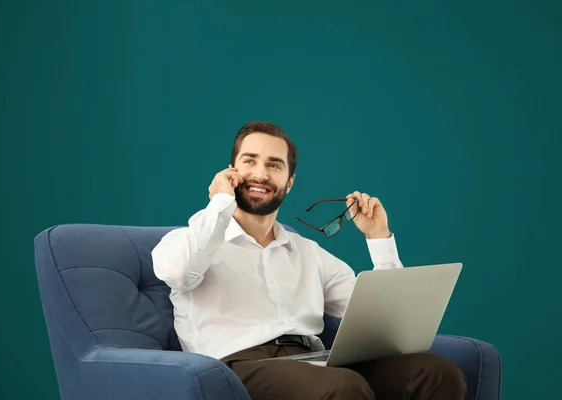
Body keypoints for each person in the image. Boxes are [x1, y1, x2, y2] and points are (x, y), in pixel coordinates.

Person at [151, 121, 467, 399]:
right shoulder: (188, 241)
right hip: (237, 367)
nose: (260, 173)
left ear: (289, 182)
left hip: (314, 361)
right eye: (250, 161)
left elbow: (392, 323)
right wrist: (220, 201)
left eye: (274, 165)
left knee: (436, 373)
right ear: (231, 172)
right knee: (339, 387)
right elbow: (179, 273)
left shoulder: (307, 252)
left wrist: (378, 238)